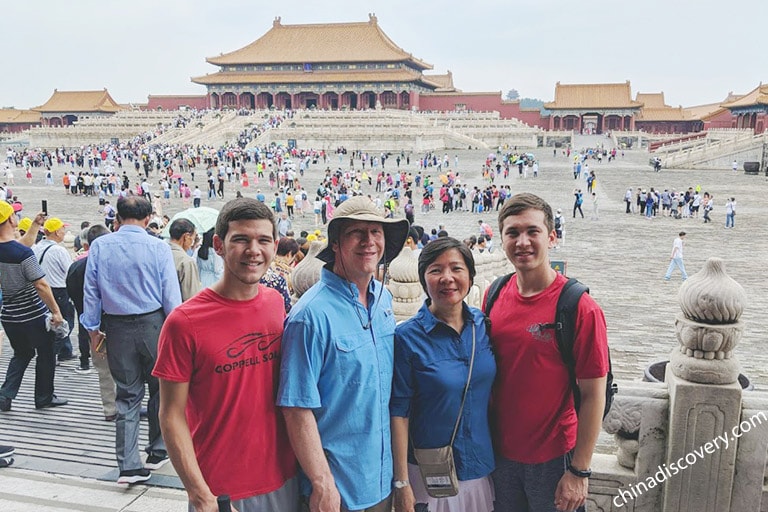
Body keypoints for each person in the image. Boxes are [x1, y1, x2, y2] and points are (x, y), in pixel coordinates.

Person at [155, 198, 298, 512]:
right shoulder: (183, 322)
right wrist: (199, 493)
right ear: (219, 244)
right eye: (241, 240)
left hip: (286, 476)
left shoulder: (276, 303)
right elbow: (170, 414)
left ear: (275, 246)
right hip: (221, 490)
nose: (253, 250)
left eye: (263, 240)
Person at [277, 196, 409, 512]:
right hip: (338, 489)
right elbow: (296, 407)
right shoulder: (310, 315)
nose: (369, 242)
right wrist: (322, 484)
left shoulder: (383, 301)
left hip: (381, 480)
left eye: (376, 232)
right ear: (336, 243)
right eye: (357, 233)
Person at [486, 193, 608, 512]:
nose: (522, 242)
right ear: (502, 240)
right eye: (512, 233)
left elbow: (595, 393)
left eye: (532, 231)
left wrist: (579, 470)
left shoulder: (579, 308)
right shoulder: (494, 294)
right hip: (500, 457)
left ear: (551, 237)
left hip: (554, 459)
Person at [82, 196, 182, 485]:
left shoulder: (100, 245)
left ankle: (128, 465)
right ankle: (158, 448)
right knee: (161, 388)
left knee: (126, 394)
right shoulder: (158, 246)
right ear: (148, 217)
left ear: (117, 217)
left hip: (116, 326)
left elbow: (91, 291)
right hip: (154, 323)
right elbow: (170, 294)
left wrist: (92, 330)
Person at [391, 237, 496, 512]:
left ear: (471, 276)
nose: (447, 278)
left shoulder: (483, 327)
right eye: (436, 270)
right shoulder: (407, 338)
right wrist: (401, 483)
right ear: (423, 279)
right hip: (428, 475)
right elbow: (399, 413)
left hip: (480, 469)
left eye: (456, 269)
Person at [0, 202, 68, 412]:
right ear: (11, 219)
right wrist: (56, 312)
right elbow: (40, 284)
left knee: (21, 353)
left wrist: (36, 225)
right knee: (46, 353)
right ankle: (43, 396)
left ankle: (5, 396)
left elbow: (19, 245)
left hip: (9, 315)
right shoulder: (21, 253)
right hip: (32, 313)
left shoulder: (13, 249)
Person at [65, 224, 118, 419]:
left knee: (103, 371)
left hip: (90, 326)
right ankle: (126, 405)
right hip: (116, 325)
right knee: (125, 369)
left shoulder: (76, 267)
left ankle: (110, 409)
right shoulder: (111, 265)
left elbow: (72, 294)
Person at [32, 217, 76, 363]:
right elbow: (70, 271)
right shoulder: (59, 250)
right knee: (65, 322)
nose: (64, 232)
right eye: (63, 229)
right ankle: (52, 352)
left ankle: (65, 351)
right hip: (59, 291)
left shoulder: (36, 247)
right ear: (57, 232)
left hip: (40, 290)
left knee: (48, 321)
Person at [168, 219, 202, 302]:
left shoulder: (159, 254)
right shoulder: (186, 262)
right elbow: (191, 297)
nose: (192, 243)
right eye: (193, 239)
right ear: (186, 236)